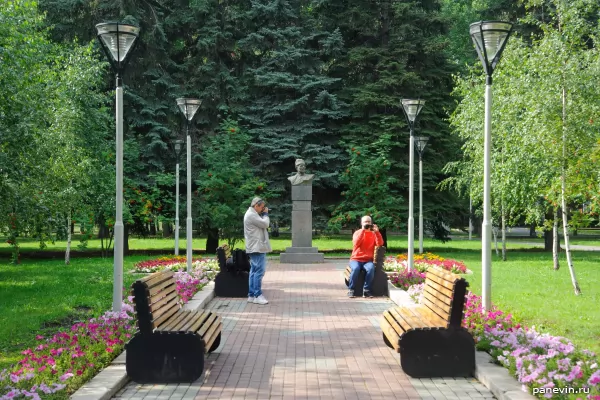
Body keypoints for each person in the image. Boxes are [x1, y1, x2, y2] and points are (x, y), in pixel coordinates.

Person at [244, 197, 272, 305]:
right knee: (259, 271)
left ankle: (251, 295)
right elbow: (265, 224)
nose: (263, 209)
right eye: (262, 207)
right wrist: (265, 214)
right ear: (256, 205)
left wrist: (263, 214)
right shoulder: (251, 215)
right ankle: (257, 295)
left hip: (254, 246)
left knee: (254, 271)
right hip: (256, 247)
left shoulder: (252, 214)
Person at [348, 215, 384, 298]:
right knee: (356, 269)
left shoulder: (373, 233)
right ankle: (351, 289)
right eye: (365, 222)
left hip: (368, 260)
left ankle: (367, 290)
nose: (367, 223)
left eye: (369, 222)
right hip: (356, 259)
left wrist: (377, 232)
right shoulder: (357, 233)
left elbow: (380, 244)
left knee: (371, 269)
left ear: (371, 223)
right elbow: (356, 244)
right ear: (361, 223)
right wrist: (363, 231)